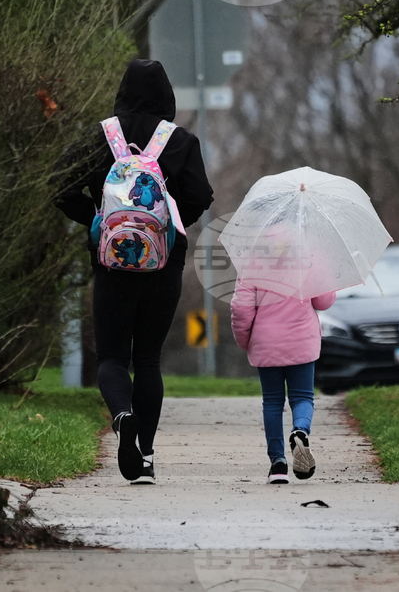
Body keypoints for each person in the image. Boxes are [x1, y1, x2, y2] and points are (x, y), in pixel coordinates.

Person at [54, 59, 214, 484]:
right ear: (167, 96)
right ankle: (144, 456)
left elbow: (61, 186)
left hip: (111, 264)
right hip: (163, 266)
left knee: (111, 356)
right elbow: (201, 196)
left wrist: (95, 221)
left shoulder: (100, 135)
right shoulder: (179, 140)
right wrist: (170, 225)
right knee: (147, 359)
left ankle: (122, 415)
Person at [230, 281, 337, 484]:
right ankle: (300, 430)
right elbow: (323, 301)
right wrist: (326, 275)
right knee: (302, 397)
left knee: (272, 402)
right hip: (302, 339)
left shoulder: (252, 263)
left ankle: (278, 464)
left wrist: (246, 340)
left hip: (266, 339)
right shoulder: (308, 258)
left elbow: (240, 309)